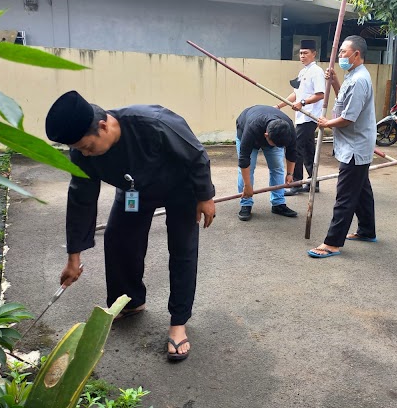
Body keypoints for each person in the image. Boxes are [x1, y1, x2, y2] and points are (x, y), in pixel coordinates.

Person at [45, 91, 216, 362]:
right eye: (79, 150)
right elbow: (81, 198)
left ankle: (178, 321)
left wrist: (205, 197)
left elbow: (196, 154)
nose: (85, 154)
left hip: (180, 188)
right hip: (134, 191)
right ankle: (130, 301)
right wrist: (73, 258)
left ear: (103, 126)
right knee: (118, 239)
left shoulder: (155, 122)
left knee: (182, 249)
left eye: (88, 147)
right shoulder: (83, 152)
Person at [307, 35, 377, 258]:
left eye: (343, 52)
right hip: (353, 144)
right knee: (362, 190)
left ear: (357, 54)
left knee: (345, 195)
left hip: (355, 146)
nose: (340, 56)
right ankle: (367, 230)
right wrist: (335, 81)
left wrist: (327, 123)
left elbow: (349, 117)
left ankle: (332, 243)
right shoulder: (352, 76)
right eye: (340, 53)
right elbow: (343, 101)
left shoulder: (359, 80)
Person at [275, 39, 325, 195]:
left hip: (310, 117)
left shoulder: (317, 71)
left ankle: (296, 183)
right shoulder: (303, 72)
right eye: (301, 53)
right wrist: (279, 106)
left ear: (314, 54)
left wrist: (302, 103)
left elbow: (320, 94)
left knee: (295, 148)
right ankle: (313, 182)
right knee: (308, 150)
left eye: (306, 53)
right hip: (301, 117)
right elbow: (295, 93)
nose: (302, 56)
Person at [236, 105, 298, 221]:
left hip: (270, 132)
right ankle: (246, 203)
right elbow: (244, 160)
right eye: (275, 144)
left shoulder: (288, 129)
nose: (277, 147)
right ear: (266, 136)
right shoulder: (251, 128)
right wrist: (247, 186)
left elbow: (292, 152)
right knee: (249, 168)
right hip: (246, 129)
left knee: (277, 167)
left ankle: (278, 204)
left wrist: (290, 174)